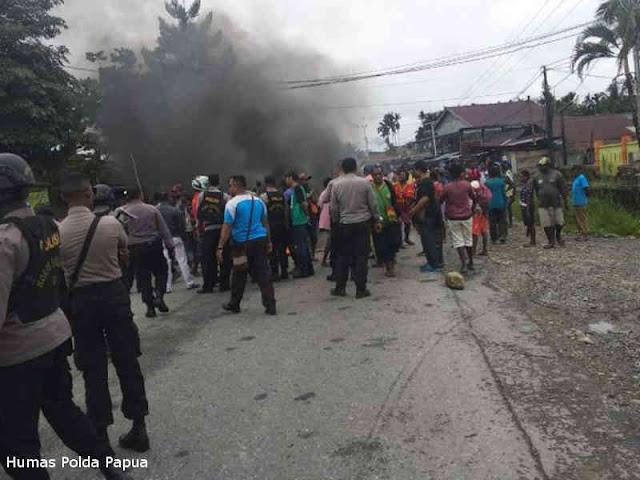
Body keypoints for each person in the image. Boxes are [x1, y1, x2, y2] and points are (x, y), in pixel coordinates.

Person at [0, 154, 131, 480]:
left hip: (18, 352)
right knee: (65, 413)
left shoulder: (5, 239)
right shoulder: (45, 225)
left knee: (17, 443)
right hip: (55, 335)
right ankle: (112, 469)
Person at [59, 172, 150, 455]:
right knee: (127, 361)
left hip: (81, 303)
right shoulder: (110, 223)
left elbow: (60, 274)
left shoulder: (58, 232)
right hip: (113, 297)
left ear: (64, 198)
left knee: (92, 367)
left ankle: (99, 432)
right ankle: (139, 427)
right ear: (89, 193)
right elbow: (124, 256)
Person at [216, 175, 276, 315]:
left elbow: (227, 227)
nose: (229, 188)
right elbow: (265, 223)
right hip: (260, 240)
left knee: (239, 272)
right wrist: (268, 241)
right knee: (263, 273)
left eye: (230, 185)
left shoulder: (232, 204)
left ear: (237, 186)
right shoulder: (258, 201)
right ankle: (270, 305)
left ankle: (234, 304)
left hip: (240, 244)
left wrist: (220, 246)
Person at [330, 157, 380, 298]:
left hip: (345, 225)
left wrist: (338, 221)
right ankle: (361, 289)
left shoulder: (336, 185)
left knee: (343, 257)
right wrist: (376, 219)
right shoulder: (364, 183)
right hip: (363, 224)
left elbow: (334, 208)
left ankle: (340, 288)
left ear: (343, 168)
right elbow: (373, 204)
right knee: (361, 257)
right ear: (355, 168)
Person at [122, 187, 175, 318]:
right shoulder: (152, 209)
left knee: (143, 278)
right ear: (140, 195)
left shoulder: (123, 212)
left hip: (135, 248)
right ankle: (159, 295)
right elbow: (163, 230)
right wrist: (170, 246)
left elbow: (121, 232)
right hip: (153, 245)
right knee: (161, 272)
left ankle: (149, 307)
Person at [196, 174, 231, 293]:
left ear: (208, 183)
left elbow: (198, 213)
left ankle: (208, 286)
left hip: (208, 230)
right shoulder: (225, 196)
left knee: (208, 259)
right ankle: (224, 284)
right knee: (224, 257)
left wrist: (198, 228)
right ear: (218, 182)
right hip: (222, 229)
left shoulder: (202, 195)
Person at [440, 162, 476, 273]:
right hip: (467, 215)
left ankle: (463, 263)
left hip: (453, 217)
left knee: (458, 241)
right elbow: (474, 198)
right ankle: (471, 261)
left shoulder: (447, 187)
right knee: (468, 240)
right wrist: (472, 210)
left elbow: (440, 201)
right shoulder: (466, 184)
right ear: (461, 173)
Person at [157, 192, 198, 291]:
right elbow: (181, 225)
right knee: (182, 259)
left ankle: (167, 286)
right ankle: (189, 282)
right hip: (175, 237)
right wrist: (184, 237)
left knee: (167, 261)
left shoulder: (155, 210)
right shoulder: (174, 210)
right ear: (167, 198)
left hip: (162, 238)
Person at [410, 160, 443, 272]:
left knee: (429, 240)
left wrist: (414, 210)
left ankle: (434, 264)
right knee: (426, 239)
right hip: (428, 215)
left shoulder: (425, 182)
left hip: (428, 215)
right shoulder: (425, 182)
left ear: (418, 170)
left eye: (414, 170)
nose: (413, 172)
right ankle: (432, 262)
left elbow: (425, 199)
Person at [371, 166, 402, 277]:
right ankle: (388, 265)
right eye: (375, 174)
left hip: (391, 220)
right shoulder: (369, 187)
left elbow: (394, 201)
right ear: (372, 176)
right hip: (377, 223)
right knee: (381, 246)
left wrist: (398, 215)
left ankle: (391, 265)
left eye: (380, 174)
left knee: (393, 243)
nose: (378, 176)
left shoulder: (389, 185)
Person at [260, 175, 289, 281]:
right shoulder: (282, 195)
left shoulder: (264, 196)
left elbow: (263, 214)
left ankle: (275, 273)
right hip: (282, 225)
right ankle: (285, 271)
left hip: (271, 226)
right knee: (282, 249)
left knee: (272, 249)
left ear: (266, 183)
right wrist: (286, 224)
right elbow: (286, 211)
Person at [533, 157, 567, 249]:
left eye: (543, 166)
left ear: (548, 165)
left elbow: (563, 189)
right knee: (546, 223)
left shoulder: (557, 174)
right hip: (543, 204)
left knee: (559, 222)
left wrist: (566, 201)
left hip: (556, 203)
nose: (541, 168)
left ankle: (558, 236)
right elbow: (536, 189)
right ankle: (551, 241)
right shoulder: (536, 176)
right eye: (540, 166)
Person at [285, 171, 314, 278]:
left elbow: (303, 204)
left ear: (291, 178)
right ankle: (309, 269)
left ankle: (304, 270)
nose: (286, 180)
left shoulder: (297, 188)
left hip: (300, 221)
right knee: (303, 246)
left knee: (301, 246)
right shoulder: (295, 189)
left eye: (287, 178)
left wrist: (307, 217)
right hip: (298, 221)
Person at [484, 165, 508, 244]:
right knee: (502, 220)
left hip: (491, 204)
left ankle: (494, 238)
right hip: (501, 202)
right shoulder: (501, 181)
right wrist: (506, 202)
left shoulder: (487, 183)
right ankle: (503, 236)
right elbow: (503, 193)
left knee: (492, 222)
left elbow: (485, 194)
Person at [393, 169, 416, 246]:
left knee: (407, 224)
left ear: (406, 177)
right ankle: (399, 242)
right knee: (398, 225)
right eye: (400, 175)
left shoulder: (410, 185)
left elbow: (412, 197)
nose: (401, 176)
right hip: (397, 208)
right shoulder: (394, 185)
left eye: (403, 175)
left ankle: (406, 238)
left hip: (406, 208)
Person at [470, 180, 490, 256]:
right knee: (484, 231)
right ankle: (485, 250)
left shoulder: (473, 186)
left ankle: (473, 251)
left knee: (474, 232)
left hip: (477, 213)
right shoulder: (483, 188)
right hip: (484, 211)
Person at [317, 177, 333, 267]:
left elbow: (319, 205)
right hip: (328, 218)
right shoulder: (326, 193)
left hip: (327, 217)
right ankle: (324, 259)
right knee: (330, 239)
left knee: (331, 238)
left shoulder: (323, 193)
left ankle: (329, 258)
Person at [519, 169, 536, 247]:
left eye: (521, 177)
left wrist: (528, 210)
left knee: (531, 223)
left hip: (528, 206)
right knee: (528, 223)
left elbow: (528, 197)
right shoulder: (524, 184)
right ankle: (530, 236)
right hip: (524, 205)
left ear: (526, 177)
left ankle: (533, 241)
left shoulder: (529, 184)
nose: (520, 178)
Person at [571, 165, 590, 239]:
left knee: (583, 217)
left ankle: (585, 233)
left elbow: (586, 188)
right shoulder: (576, 179)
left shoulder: (582, 178)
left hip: (581, 201)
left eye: (575, 170)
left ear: (578, 170)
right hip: (576, 202)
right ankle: (580, 232)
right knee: (577, 219)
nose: (573, 172)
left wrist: (586, 198)